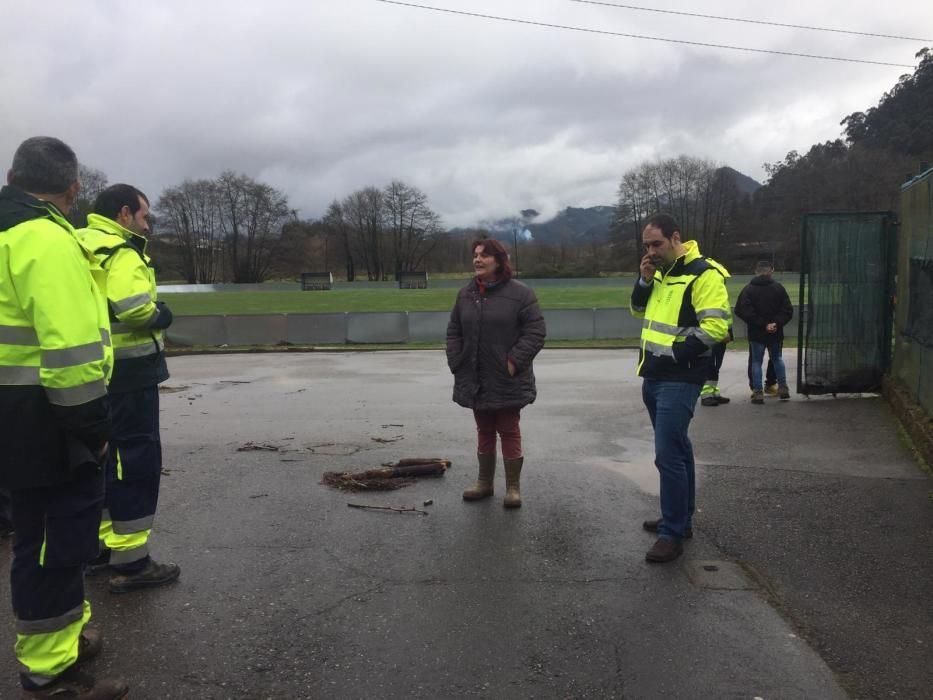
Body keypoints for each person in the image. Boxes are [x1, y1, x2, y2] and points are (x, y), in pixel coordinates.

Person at [0, 137, 128, 698]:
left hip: (15, 415)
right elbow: (71, 353)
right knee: (55, 543)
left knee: (41, 535)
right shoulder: (46, 239)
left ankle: (65, 637)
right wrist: (94, 431)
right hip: (48, 423)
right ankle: (51, 672)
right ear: (72, 188)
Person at [76, 184, 179, 593]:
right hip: (131, 373)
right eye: (144, 216)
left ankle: (100, 548)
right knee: (136, 459)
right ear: (123, 214)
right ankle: (132, 561)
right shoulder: (121, 250)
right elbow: (133, 307)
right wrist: (161, 316)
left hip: (93, 369)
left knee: (103, 458)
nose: (147, 225)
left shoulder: (79, 242)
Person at [631, 214, 731, 563]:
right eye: (646, 245)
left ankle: (671, 533)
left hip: (679, 377)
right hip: (653, 375)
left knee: (668, 455)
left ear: (676, 238)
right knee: (678, 449)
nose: (651, 251)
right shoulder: (659, 272)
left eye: (657, 244)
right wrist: (643, 280)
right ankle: (680, 518)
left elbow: (718, 327)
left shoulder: (704, 274)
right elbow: (637, 309)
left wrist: (676, 353)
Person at [446, 238, 546, 508]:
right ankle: (484, 482)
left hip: (506, 377)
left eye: (484, 256)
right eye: (475, 255)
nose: (477, 260)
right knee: (484, 429)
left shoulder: (521, 294)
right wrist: (456, 360)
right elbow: (454, 329)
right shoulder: (466, 294)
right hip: (475, 375)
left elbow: (535, 332)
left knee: (509, 429)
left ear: (499, 261)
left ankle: (513, 488)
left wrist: (514, 361)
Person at [735, 260, 794, 404]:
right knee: (777, 359)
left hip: (757, 332)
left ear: (756, 271)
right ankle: (783, 388)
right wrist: (776, 323)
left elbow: (741, 310)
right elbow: (787, 310)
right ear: (771, 271)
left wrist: (761, 324)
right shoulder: (779, 288)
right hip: (775, 331)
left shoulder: (748, 289)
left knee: (756, 362)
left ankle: (758, 392)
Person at [699, 256, 733, 407]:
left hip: (722, 332)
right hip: (713, 332)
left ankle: (713, 391)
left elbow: (724, 312)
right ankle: (706, 394)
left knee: (716, 363)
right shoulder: (709, 290)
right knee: (710, 363)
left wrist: (728, 331)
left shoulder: (718, 290)